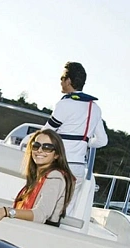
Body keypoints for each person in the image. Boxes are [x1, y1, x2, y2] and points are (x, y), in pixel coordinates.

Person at [42, 61, 108, 217]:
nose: (60, 81)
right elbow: (102, 141)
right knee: (65, 212)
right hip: (78, 167)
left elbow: (45, 133)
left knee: (45, 208)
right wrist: (84, 142)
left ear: (68, 81)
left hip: (59, 164)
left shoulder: (64, 104)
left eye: (62, 78)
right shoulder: (95, 108)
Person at [0, 129, 75, 229]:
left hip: (37, 234)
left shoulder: (55, 177)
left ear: (57, 155)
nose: (39, 150)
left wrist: (5, 211)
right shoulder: (38, 177)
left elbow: (40, 215)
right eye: (36, 146)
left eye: (47, 148)